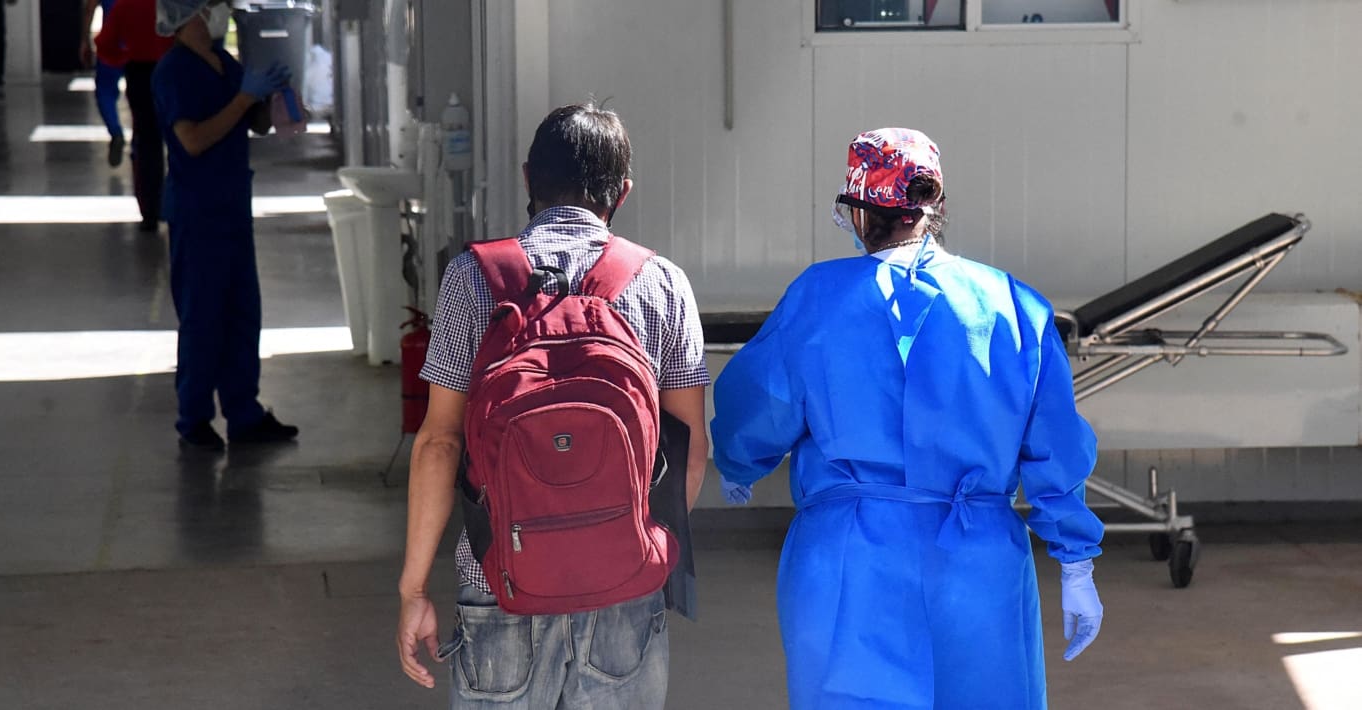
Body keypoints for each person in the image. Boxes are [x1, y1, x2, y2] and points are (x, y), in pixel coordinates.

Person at [711, 128, 1105, 710]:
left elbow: (760, 405)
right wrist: (1075, 563)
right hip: (978, 565)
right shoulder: (1013, 305)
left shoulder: (819, 298)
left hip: (851, 562)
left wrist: (737, 462)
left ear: (860, 213)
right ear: (935, 207)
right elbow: (1053, 442)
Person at [396, 103, 710, 708]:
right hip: (623, 586)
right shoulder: (663, 282)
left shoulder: (472, 278)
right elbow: (690, 448)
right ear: (622, 192)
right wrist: (633, 540)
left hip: (497, 579)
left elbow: (439, 443)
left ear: (526, 179)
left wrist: (414, 589)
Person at [148, 0, 298, 449]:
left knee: (241, 312)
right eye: (213, 5)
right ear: (189, 13)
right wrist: (243, 98)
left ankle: (244, 412)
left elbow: (252, 124)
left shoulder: (223, 61)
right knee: (203, 316)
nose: (222, 13)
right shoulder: (173, 71)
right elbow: (191, 141)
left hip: (232, 205)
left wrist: (274, 97)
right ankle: (193, 419)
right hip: (198, 211)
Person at [94, 0, 174, 230]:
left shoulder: (125, 5)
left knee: (147, 142)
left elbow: (106, 43)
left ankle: (150, 210)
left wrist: (123, 58)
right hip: (172, 70)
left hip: (139, 72)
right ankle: (179, 204)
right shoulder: (172, 5)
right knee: (180, 137)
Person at [80, 0, 127, 167]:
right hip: (140, 39)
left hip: (112, 40)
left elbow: (89, 8)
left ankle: (115, 131)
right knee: (143, 93)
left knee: (105, 91)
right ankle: (142, 138)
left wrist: (85, 40)